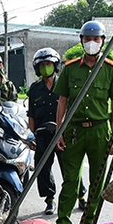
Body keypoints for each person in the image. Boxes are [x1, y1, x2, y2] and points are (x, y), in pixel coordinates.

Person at [53, 20, 113, 224]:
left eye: (96, 39)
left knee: (97, 180)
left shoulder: (111, 70)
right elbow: (62, 101)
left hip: (100, 131)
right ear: (81, 41)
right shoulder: (70, 68)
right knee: (70, 181)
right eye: (87, 39)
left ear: (103, 41)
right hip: (74, 130)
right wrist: (59, 130)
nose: (91, 43)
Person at [27, 47, 64, 215]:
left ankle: (80, 196)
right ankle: (50, 199)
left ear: (55, 65)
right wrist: (31, 136)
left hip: (62, 135)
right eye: (42, 65)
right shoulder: (34, 89)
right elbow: (32, 115)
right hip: (42, 135)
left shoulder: (64, 85)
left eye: (48, 64)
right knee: (43, 169)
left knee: (70, 168)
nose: (45, 68)